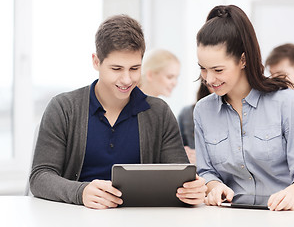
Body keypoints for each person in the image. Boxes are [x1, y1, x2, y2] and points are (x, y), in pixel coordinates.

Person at [29, 15, 206, 209]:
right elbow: (40, 177)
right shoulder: (64, 108)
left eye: (134, 68)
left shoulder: (159, 113)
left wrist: (192, 190)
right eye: (116, 68)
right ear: (96, 62)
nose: (127, 79)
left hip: (142, 219)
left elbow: (179, 179)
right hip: (78, 216)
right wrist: (81, 192)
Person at [194, 5, 294, 211]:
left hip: (282, 216)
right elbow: (206, 171)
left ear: (242, 60)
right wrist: (215, 187)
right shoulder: (202, 111)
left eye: (218, 69)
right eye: (202, 68)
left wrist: (291, 194)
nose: (209, 79)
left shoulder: (286, 102)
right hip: (229, 216)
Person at [178, 82, 212, 164]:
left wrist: (202, 161)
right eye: (204, 69)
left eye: (218, 70)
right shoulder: (187, 114)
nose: (211, 79)